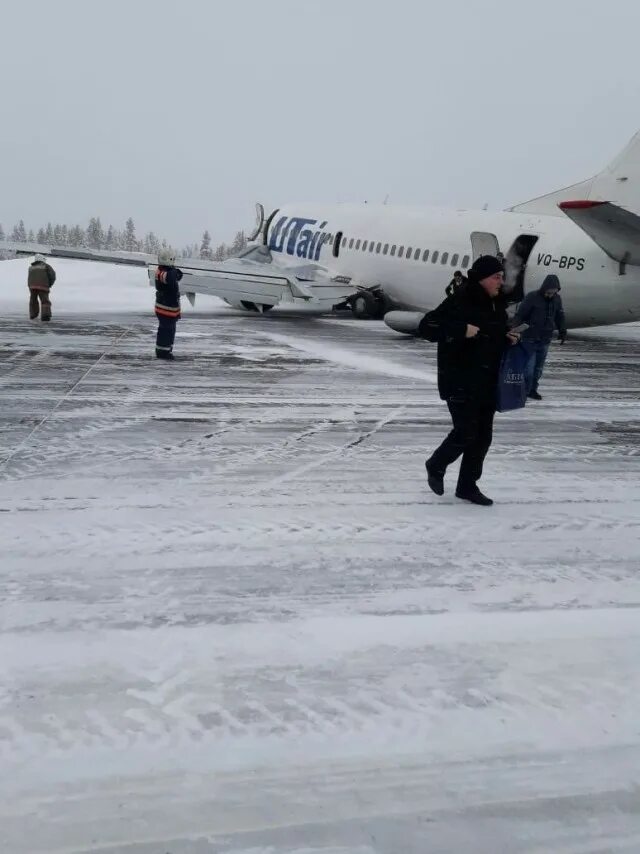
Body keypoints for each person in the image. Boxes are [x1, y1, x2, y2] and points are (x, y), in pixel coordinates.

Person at [419, 255, 520, 506]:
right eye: (496, 277)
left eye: (502, 276)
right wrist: (460, 330)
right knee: (466, 432)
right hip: (459, 379)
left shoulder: (495, 303)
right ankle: (436, 464)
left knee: (483, 436)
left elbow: (490, 333)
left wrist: (506, 337)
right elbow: (427, 326)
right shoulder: (461, 298)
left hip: (487, 380)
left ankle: (467, 486)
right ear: (483, 278)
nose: (501, 281)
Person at [512, 274, 567, 400]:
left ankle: (532, 390)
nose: (550, 295)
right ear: (544, 289)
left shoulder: (557, 300)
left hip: (545, 339)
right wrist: (514, 328)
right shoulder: (532, 297)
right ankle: (524, 391)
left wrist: (562, 330)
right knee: (528, 369)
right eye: (548, 292)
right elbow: (520, 314)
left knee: (538, 369)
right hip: (529, 338)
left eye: (553, 293)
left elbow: (560, 315)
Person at [154, 248, 183, 360]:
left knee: (170, 330)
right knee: (166, 331)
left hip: (169, 309)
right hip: (165, 310)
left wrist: (176, 272)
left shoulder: (165, 271)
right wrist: (175, 272)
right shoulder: (161, 273)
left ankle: (167, 349)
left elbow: (177, 275)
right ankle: (162, 352)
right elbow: (171, 277)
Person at [28, 254, 56, 321]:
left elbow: (29, 278)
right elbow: (52, 275)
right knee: (45, 301)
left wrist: (30, 286)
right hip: (43, 286)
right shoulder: (46, 266)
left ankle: (33, 315)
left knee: (33, 300)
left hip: (32, 286)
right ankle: (45, 316)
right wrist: (49, 284)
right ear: (42, 259)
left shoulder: (31, 267)